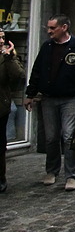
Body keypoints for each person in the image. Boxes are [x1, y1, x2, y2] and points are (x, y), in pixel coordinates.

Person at [23, 15, 75, 192]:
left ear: (64, 27)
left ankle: (71, 175)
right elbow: (37, 71)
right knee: (50, 137)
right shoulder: (47, 47)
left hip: (70, 98)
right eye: (48, 28)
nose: (49, 31)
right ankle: (51, 171)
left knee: (69, 136)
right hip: (48, 98)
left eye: (52, 28)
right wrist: (30, 94)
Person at [0, 30, 25, 193]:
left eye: (2, 37)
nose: (1, 40)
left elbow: (19, 77)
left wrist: (9, 57)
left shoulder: (7, 57)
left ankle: (0, 178)